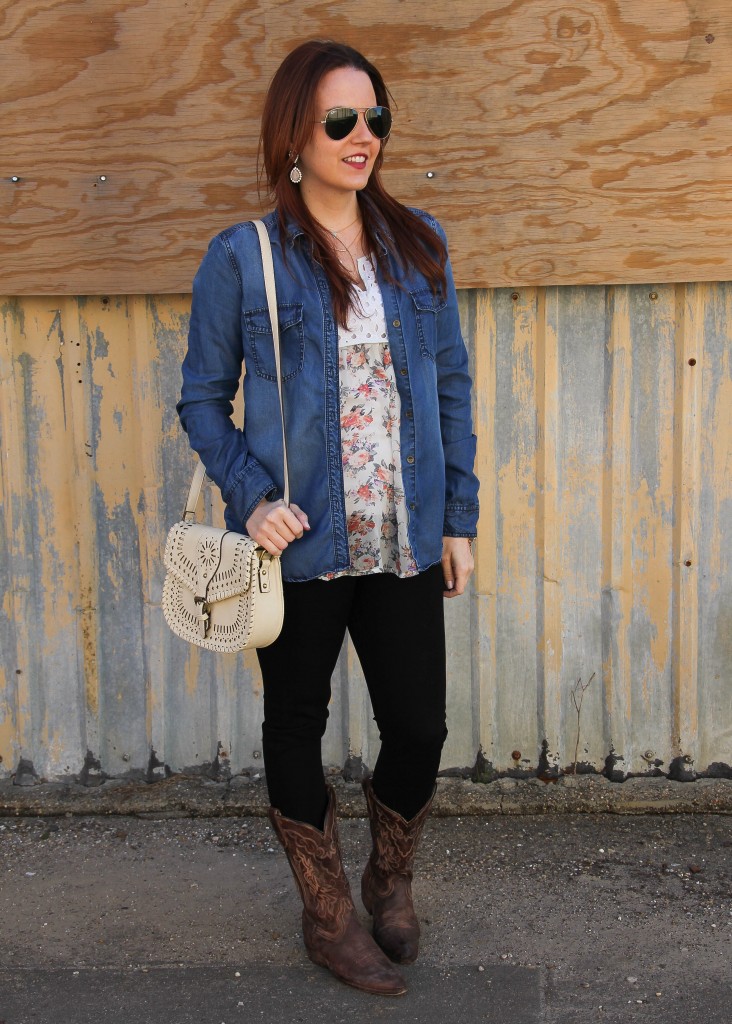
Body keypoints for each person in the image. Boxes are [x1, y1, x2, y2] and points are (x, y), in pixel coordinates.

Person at [177, 39, 479, 996]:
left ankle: (389, 878)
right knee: (295, 725)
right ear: (294, 137)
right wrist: (252, 499)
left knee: (420, 729)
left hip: (401, 540)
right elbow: (200, 400)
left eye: (375, 118)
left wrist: (457, 517)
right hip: (302, 549)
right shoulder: (245, 257)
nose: (363, 138)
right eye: (340, 120)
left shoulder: (417, 244)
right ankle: (325, 912)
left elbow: (453, 390)